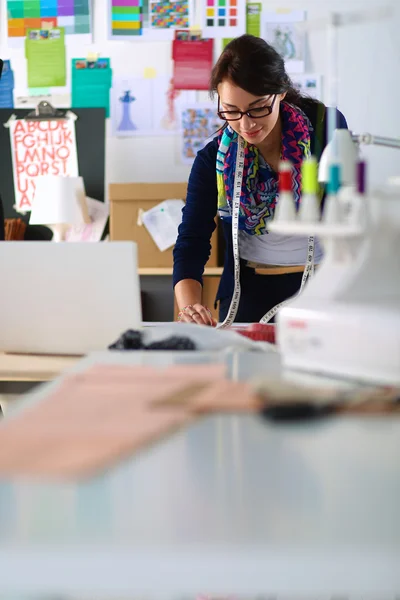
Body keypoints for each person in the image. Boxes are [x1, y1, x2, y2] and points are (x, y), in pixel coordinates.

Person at [173, 34, 347, 326]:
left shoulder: (324, 128)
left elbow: (345, 208)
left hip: (321, 285)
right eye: (231, 111)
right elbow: (191, 240)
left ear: (280, 92)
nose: (246, 124)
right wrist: (190, 309)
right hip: (249, 291)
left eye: (257, 108)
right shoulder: (214, 161)